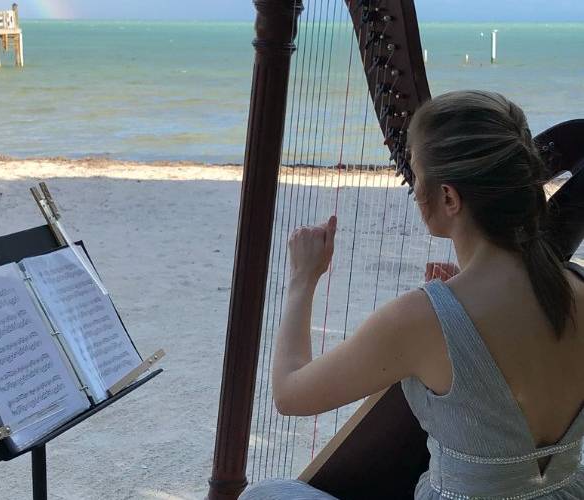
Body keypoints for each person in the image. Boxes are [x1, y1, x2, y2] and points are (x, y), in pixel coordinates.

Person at [240, 91, 584, 499]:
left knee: (267, 494)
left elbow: (289, 394)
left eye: (417, 176)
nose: (414, 189)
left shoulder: (420, 320)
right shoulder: (577, 284)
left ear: (449, 198)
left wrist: (303, 280)